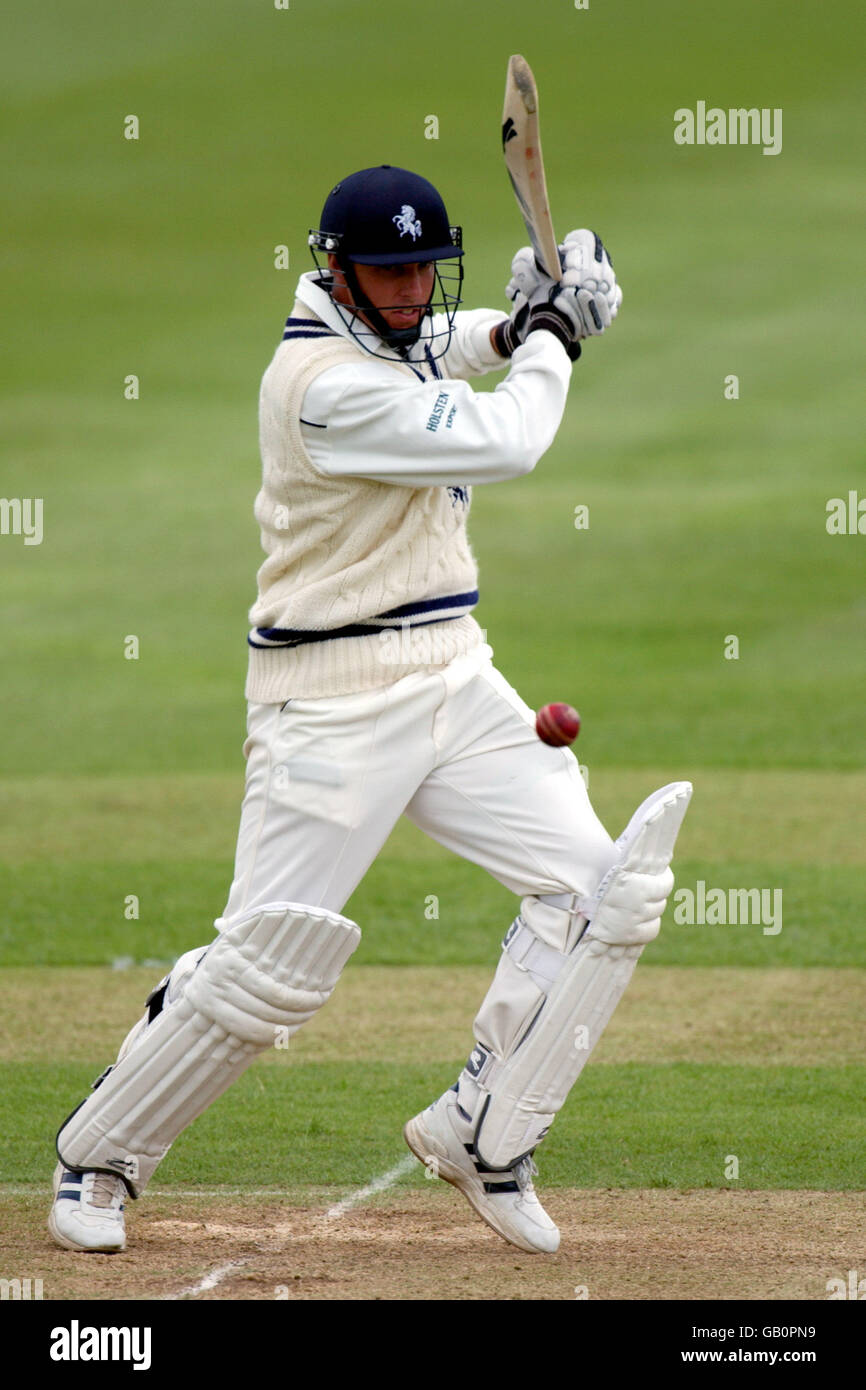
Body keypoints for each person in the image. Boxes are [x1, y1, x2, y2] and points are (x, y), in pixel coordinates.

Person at [49, 165, 690, 1257]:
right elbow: (507, 440)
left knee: (603, 892)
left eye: (424, 273)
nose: (409, 293)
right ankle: (96, 1159)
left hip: (452, 671)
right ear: (334, 269)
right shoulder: (320, 384)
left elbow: (453, 346)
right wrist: (555, 335)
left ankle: (483, 1133)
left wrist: (523, 311)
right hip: (328, 701)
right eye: (387, 274)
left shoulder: (390, 336)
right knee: (264, 972)